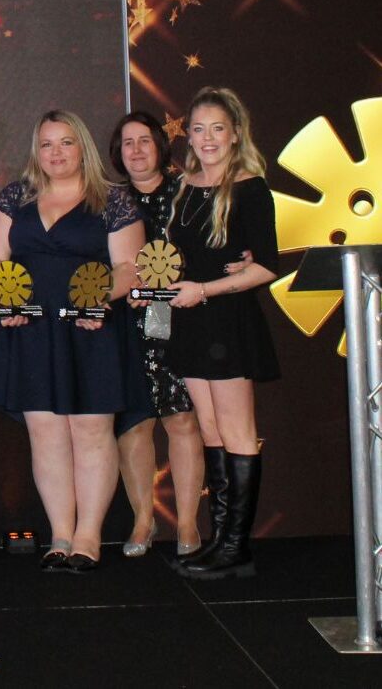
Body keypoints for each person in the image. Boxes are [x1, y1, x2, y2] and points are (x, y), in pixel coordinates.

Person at [0, 111, 146, 573]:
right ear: (36, 150)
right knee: (46, 433)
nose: (56, 153)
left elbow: (129, 268)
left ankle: (88, 537)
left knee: (91, 432)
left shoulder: (112, 200)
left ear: (83, 148)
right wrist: (5, 297)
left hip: (90, 329)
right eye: (47, 144)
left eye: (66, 143)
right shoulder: (15, 196)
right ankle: (59, 535)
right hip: (32, 329)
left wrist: (96, 301)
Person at [165, 87, 279, 580]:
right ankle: (219, 541)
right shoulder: (185, 186)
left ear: (235, 134)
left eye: (217, 129)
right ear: (188, 136)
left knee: (237, 432)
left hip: (228, 322)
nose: (207, 138)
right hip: (192, 324)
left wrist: (205, 289)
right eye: (198, 129)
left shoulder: (250, 188)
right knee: (209, 430)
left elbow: (267, 266)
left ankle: (236, 547)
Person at [109, 113, 206, 558]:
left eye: (144, 141)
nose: (136, 150)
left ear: (160, 146)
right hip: (126, 324)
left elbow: (208, 248)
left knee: (182, 420)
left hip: (179, 321)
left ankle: (187, 525)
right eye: (127, 143)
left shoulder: (188, 191)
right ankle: (143, 522)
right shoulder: (110, 201)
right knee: (134, 424)